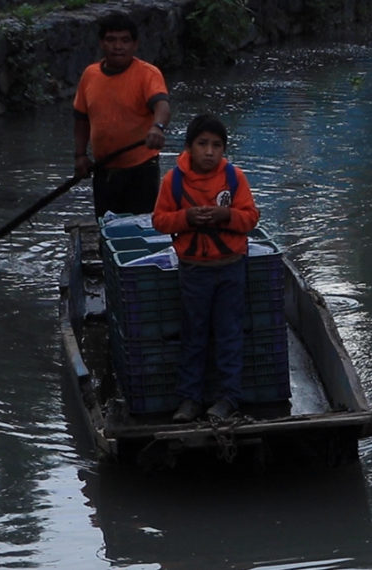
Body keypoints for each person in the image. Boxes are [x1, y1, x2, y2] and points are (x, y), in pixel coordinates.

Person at [152, 114, 260, 423]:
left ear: (224, 150)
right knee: (194, 334)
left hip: (231, 268)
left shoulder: (234, 177)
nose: (209, 152)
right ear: (188, 148)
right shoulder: (173, 181)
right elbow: (160, 221)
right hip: (194, 270)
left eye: (216, 146)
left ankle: (228, 398)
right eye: (202, 145)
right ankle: (190, 399)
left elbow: (251, 217)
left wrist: (225, 214)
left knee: (228, 333)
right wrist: (187, 218)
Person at [73, 14, 171, 219]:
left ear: (135, 45)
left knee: (141, 228)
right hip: (104, 170)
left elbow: (162, 104)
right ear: (101, 43)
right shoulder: (90, 75)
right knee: (106, 227)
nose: (118, 46)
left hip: (141, 170)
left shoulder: (147, 74)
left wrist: (157, 127)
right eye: (111, 40)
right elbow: (81, 119)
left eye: (125, 40)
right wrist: (80, 155)